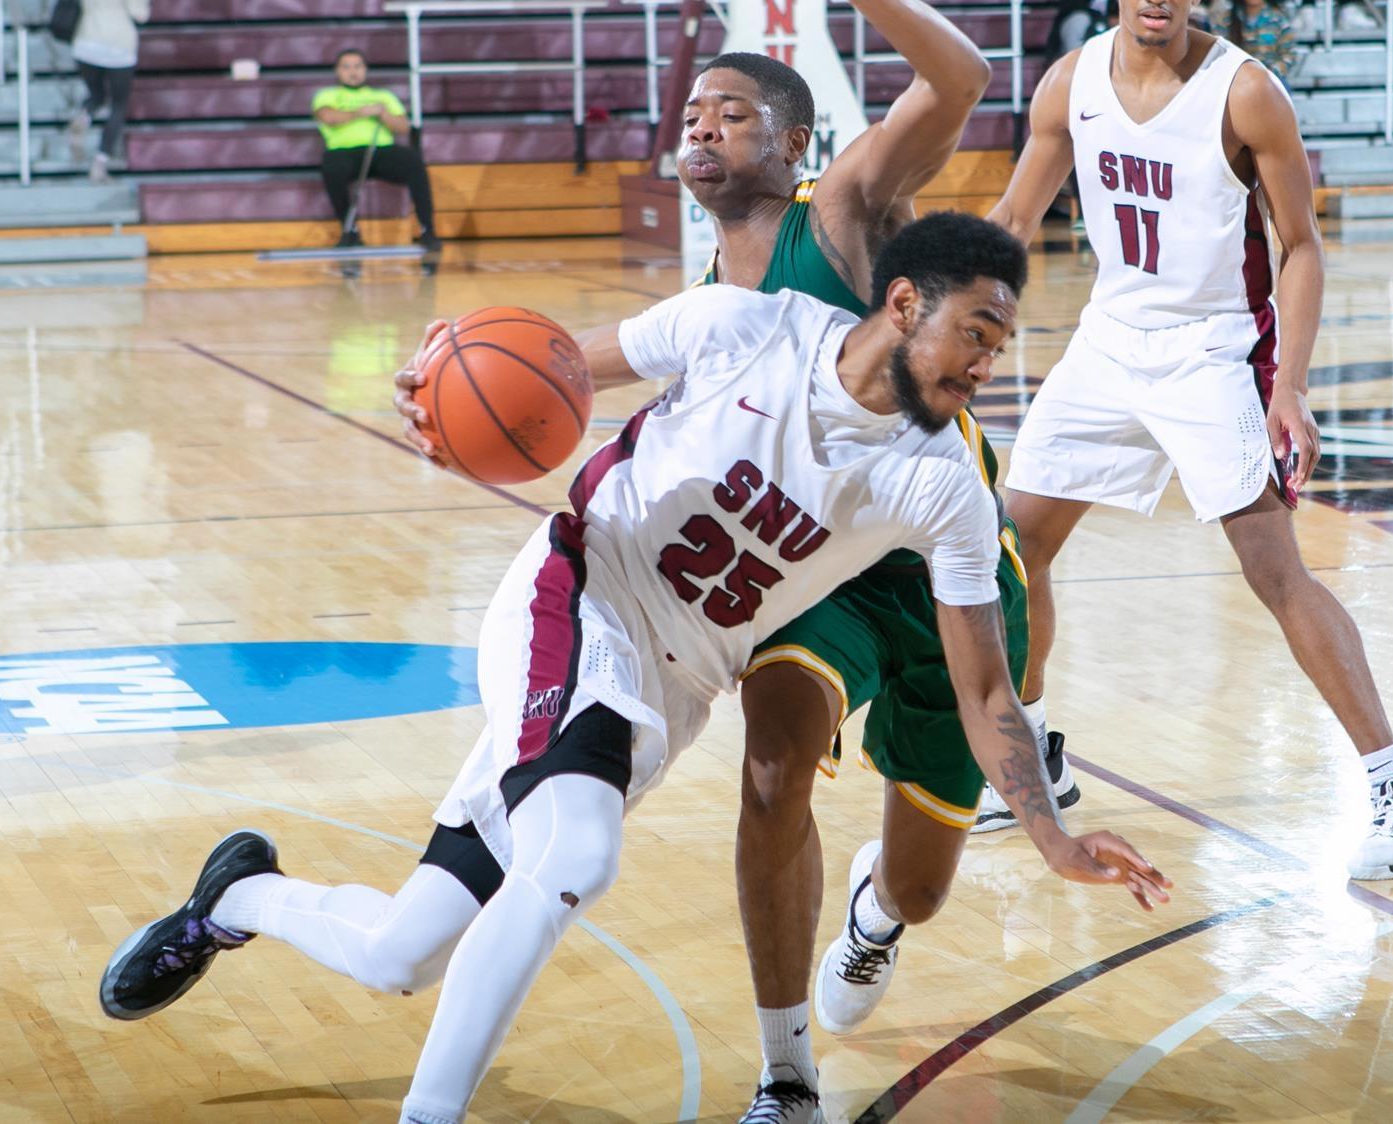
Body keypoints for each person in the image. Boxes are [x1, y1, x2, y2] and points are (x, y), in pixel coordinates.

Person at [99, 212, 1170, 1124]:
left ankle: (237, 895)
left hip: (672, 689)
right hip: (581, 597)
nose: (985, 366)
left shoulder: (942, 484)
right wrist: (441, 381)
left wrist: (1051, 835)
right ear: (902, 304)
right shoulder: (742, 326)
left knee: (401, 952)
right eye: (974, 334)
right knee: (579, 851)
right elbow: (552, 365)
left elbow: (983, 686)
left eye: (999, 346)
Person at [401, 15, 1079, 1120]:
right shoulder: (717, 292)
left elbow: (960, 75)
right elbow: (563, 371)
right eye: (692, 114)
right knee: (771, 765)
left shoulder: (844, 210)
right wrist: (449, 390)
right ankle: (785, 1072)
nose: (703, 128)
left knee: (920, 885)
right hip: (808, 573)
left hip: (931, 561)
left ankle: (875, 914)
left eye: (732, 113)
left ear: (794, 142)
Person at [980, 0, 1393, 882]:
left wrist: (1291, 385)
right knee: (1016, 551)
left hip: (1215, 351)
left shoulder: (1245, 92)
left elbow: (1301, 246)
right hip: (1108, 342)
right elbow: (1014, 216)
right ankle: (1036, 748)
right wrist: (948, 316)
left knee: (1276, 573)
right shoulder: (1070, 82)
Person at [313, 49, 439, 251]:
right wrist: (360, 112)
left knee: (413, 162)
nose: (353, 72)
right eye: (346, 67)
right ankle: (350, 231)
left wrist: (383, 114)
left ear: (365, 69)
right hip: (343, 151)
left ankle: (428, 230)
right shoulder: (328, 95)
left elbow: (403, 127)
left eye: (357, 66)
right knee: (332, 167)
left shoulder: (382, 96)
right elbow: (327, 117)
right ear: (337, 71)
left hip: (380, 150)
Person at [67, 0, 148, 183]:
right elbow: (140, 15)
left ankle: (84, 117)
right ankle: (100, 162)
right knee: (119, 105)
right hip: (119, 45)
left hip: (86, 41)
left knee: (97, 95)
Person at [1227, 0, 1297, 88]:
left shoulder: (1279, 18)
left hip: (1272, 79)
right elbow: (1222, 52)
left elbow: (1289, 54)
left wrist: (1269, 74)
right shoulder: (1228, 18)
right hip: (1238, 79)